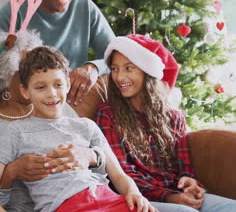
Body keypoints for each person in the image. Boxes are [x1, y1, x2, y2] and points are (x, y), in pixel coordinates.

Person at [0, 46, 155, 212]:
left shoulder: (86, 126)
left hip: (106, 198)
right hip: (64, 206)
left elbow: (118, 175)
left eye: (58, 85)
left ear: (68, 84)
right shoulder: (16, 132)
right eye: (40, 87)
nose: (52, 93)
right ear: (25, 91)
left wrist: (134, 193)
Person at [95, 34, 236, 212]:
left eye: (129, 68)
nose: (119, 77)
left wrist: (189, 181)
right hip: (139, 198)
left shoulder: (174, 117)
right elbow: (122, 174)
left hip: (175, 192)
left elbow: (184, 166)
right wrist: (171, 197)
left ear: (148, 72)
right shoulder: (108, 114)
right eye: (114, 69)